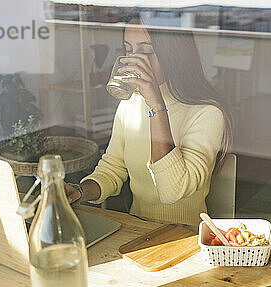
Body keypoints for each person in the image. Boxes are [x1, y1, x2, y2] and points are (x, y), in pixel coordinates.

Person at [63, 21, 232, 226]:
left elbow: (172, 192)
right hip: (138, 229)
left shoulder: (207, 113)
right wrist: (79, 192)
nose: (134, 61)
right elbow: (112, 168)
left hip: (187, 235)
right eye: (128, 50)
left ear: (175, 55)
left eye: (147, 52)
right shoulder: (132, 102)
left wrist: (155, 102)